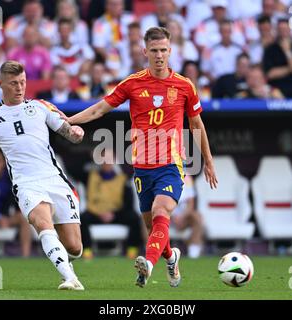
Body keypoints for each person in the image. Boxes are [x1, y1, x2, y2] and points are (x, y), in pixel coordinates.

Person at [59, 27, 217, 288]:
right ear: (145, 51)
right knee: (154, 226)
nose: (159, 55)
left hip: (170, 165)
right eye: (154, 50)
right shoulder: (132, 83)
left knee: (160, 211)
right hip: (142, 168)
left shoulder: (184, 85)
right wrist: (69, 121)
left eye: (163, 50)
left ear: (170, 51)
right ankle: (170, 256)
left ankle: (149, 265)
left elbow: (196, 124)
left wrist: (208, 162)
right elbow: (100, 108)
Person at [0, 60, 86, 290]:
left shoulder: (41, 106)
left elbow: (68, 131)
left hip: (54, 179)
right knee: (43, 223)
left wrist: (76, 132)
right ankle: (70, 278)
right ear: (0, 84)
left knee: (74, 247)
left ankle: (67, 263)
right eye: (13, 83)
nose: (19, 87)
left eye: (23, 82)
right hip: (26, 183)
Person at [79, 149, 143, 260]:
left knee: (134, 217)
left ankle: (132, 249)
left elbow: (128, 202)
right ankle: (87, 250)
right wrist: (100, 213)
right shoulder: (90, 177)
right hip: (96, 213)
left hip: (116, 214)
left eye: (109, 159)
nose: (106, 162)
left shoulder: (122, 179)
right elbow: (73, 170)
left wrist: (113, 213)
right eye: (103, 159)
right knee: (83, 218)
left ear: (114, 161)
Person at [170, 175, 204, 259]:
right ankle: (150, 251)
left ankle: (193, 251)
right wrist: (171, 216)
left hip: (183, 218)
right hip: (166, 217)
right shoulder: (161, 177)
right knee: (147, 217)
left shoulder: (187, 179)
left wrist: (182, 217)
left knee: (197, 217)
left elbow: (190, 203)